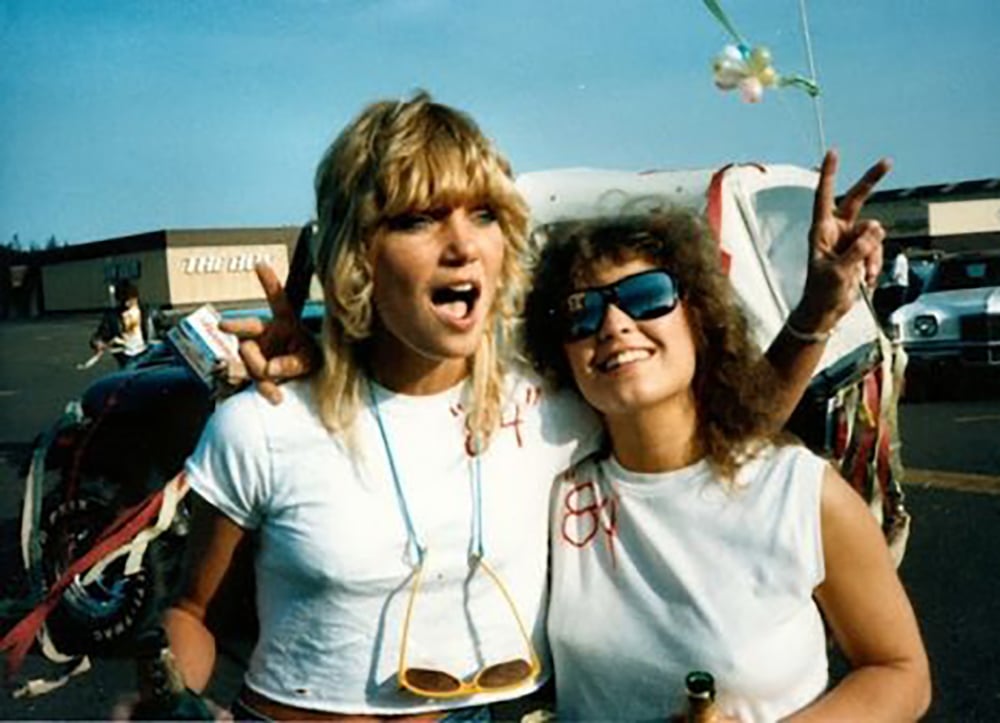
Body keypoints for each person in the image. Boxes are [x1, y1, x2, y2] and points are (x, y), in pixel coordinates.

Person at [165, 91, 890, 719]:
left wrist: (816, 313)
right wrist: (173, 702)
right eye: (418, 219)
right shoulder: (262, 424)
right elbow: (193, 614)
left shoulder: (551, 406)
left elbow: (727, 430)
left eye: (482, 213)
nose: (461, 244)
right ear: (358, 253)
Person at [521, 209, 930, 721]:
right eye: (581, 312)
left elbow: (899, 670)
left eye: (647, 296)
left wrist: (817, 313)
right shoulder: (553, 495)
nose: (614, 324)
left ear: (698, 318)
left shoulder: (798, 491)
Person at [89, 279, 152, 368]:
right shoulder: (112, 317)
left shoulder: (147, 313)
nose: (127, 304)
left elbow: (164, 329)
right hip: (126, 356)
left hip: (147, 353)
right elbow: (99, 335)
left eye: (130, 300)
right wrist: (98, 343)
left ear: (135, 297)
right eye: (124, 301)